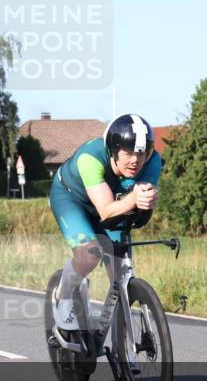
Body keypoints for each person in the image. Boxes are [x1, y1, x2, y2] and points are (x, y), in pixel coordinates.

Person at [48, 114, 161, 335]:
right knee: (89, 255)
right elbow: (106, 211)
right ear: (113, 150)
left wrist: (147, 202)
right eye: (128, 153)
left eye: (141, 153)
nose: (135, 161)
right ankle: (63, 294)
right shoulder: (91, 159)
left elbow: (138, 210)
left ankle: (122, 349)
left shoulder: (153, 162)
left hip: (115, 206)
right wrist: (133, 200)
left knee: (120, 276)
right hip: (72, 200)